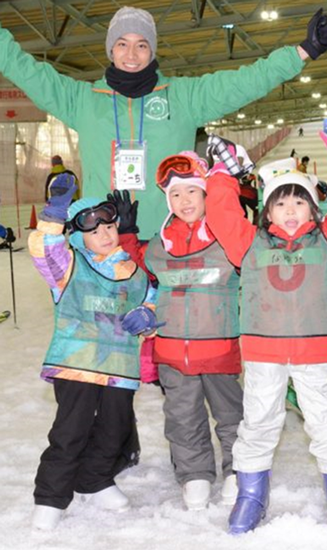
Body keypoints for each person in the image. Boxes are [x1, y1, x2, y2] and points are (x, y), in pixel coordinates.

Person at [0, 6, 327, 238]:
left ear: (153, 50)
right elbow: (26, 70)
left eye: (141, 45)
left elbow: (244, 81)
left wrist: (301, 52)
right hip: (103, 239)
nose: (131, 55)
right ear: (110, 50)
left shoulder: (182, 96)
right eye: (122, 44)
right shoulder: (82, 100)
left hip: (171, 239)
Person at [204, 122, 327, 535]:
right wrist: (222, 173)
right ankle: (250, 495)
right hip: (264, 354)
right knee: (258, 423)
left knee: (326, 423)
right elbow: (221, 215)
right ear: (266, 211)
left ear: (314, 209)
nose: (290, 210)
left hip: (314, 355)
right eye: (280, 203)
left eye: (300, 201)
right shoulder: (252, 244)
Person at [112, 151, 244, 512]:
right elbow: (140, 273)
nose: (184, 201)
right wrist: (126, 236)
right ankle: (194, 474)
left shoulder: (226, 239)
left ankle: (239, 472)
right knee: (182, 418)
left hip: (218, 350)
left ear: (206, 195)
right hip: (172, 352)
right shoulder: (161, 244)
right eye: (175, 194)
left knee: (231, 415)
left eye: (191, 192)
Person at [27, 173, 160, 530]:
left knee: (114, 431)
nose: (104, 233)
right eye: (93, 229)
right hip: (77, 365)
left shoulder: (134, 273)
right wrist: (54, 213)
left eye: (109, 225)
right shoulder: (69, 266)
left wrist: (145, 316)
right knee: (71, 431)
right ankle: (51, 497)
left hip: (121, 367)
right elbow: (43, 249)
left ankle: (95, 480)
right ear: (77, 236)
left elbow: (151, 303)